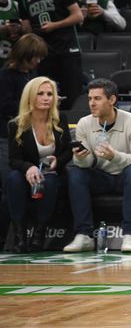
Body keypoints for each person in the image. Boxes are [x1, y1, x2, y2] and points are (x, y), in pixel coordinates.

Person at [63, 79, 131, 253]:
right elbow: (87, 164)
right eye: (89, 99)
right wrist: (81, 158)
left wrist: (115, 157)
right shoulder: (84, 123)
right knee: (75, 173)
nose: (92, 103)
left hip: (130, 178)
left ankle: (130, 235)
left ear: (111, 100)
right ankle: (84, 235)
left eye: (97, 99)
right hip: (102, 176)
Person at [6, 77, 72, 253]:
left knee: (49, 182)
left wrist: (58, 161)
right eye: (40, 94)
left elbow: (68, 152)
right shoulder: (16, 125)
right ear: (30, 97)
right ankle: (19, 236)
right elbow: (13, 159)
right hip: (27, 175)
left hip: (53, 174)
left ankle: (39, 234)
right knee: (13, 179)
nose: (46, 98)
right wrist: (29, 167)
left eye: (50, 94)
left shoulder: (60, 120)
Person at [17, 0, 83, 109]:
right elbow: (26, 28)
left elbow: (78, 16)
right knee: (44, 96)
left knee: (72, 95)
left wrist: (55, 25)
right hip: (43, 53)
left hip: (68, 49)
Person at [0, 34, 48, 186]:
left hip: (27, 131)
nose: (38, 61)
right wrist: (33, 103)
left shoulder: (31, 73)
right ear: (24, 55)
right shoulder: (5, 76)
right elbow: (4, 105)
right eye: (35, 57)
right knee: (9, 177)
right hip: (6, 133)